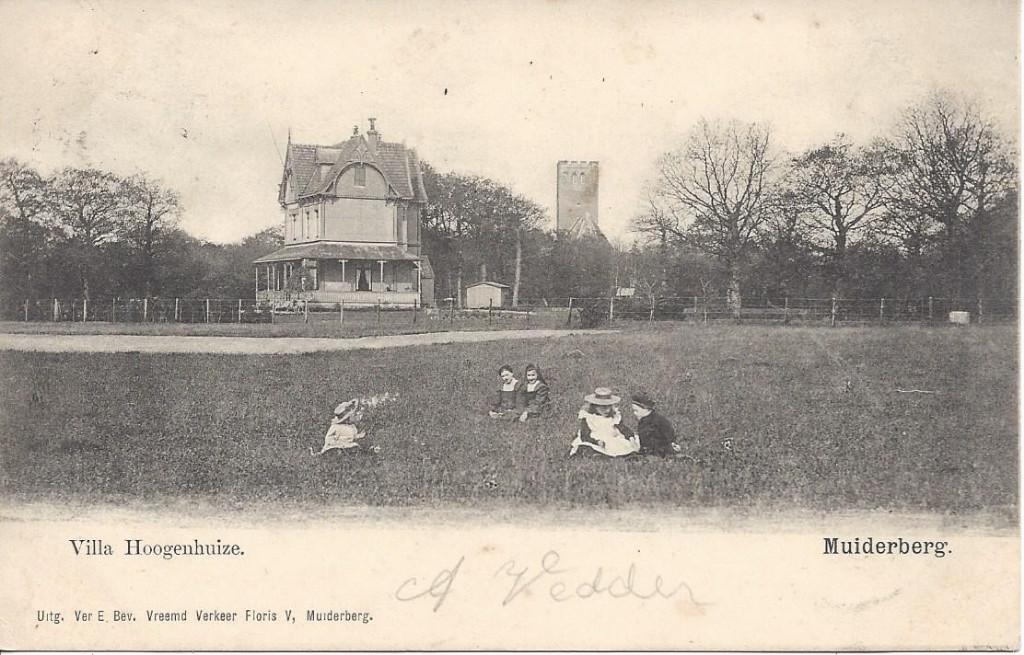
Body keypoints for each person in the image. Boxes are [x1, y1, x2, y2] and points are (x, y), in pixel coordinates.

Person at [569, 388, 640, 457]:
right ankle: (596, 454)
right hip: (596, 440)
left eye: (609, 407)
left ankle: (624, 454)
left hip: (611, 439)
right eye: (603, 408)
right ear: (595, 406)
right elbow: (585, 435)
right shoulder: (589, 418)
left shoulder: (614, 417)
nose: (607, 410)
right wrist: (596, 442)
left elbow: (623, 428)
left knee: (624, 445)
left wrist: (631, 437)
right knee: (587, 446)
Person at [629, 391, 682, 457]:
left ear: (646, 409)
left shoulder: (658, 420)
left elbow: (668, 432)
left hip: (660, 448)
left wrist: (672, 443)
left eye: (636, 411)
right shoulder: (643, 421)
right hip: (648, 448)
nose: (634, 413)